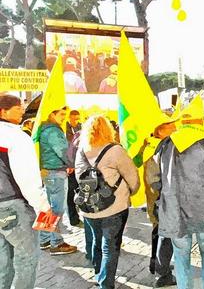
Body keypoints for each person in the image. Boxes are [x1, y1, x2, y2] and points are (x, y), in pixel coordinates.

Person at [154, 96, 204, 289]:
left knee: (181, 259)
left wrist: (164, 201)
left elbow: (155, 179)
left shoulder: (165, 145)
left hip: (175, 213)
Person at [75, 115, 139, 289]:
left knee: (97, 240)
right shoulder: (115, 150)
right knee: (110, 247)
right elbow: (132, 176)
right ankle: (106, 284)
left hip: (89, 207)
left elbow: (78, 177)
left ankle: (98, 274)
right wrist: (130, 192)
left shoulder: (81, 149)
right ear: (108, 129)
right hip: (114, 206)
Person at [0, 94, 51, 288]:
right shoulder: (17, 137)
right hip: (13, 206)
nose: (22, 110)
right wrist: (43, 206)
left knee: (3, 263)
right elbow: (28, 178)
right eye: (17, 107)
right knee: (27, 259)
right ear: (3, 111)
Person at [137, 119, 177, 288]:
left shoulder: (157, 145)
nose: (176, 130)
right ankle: (159, 269)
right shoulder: (155, 147)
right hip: (159, 198)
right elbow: (154, 179)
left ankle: (160, 264)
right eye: (171, 128)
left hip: (158, 197)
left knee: (159, 232)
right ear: (160, 131)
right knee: (159, 232)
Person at [39, 106, 78, 255]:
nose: (64, 117)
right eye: (61, 114)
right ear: (52, 113)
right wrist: (73, 163)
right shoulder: (53, 131)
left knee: (49, 207)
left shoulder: (45, 129)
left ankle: (45, 239)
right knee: (57, 208)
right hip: (55, 173)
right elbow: (63, 151)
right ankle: (56, 243)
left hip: (50, 172)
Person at [66, 109, 82, 226]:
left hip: (79, 164)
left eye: (78, 118)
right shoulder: (65, 129)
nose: (76, 121)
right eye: (74, 118)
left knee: (80, 190)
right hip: (70, 166)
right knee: (70, 193)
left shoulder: (81, 128)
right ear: (69, 118)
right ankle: (73, 218)